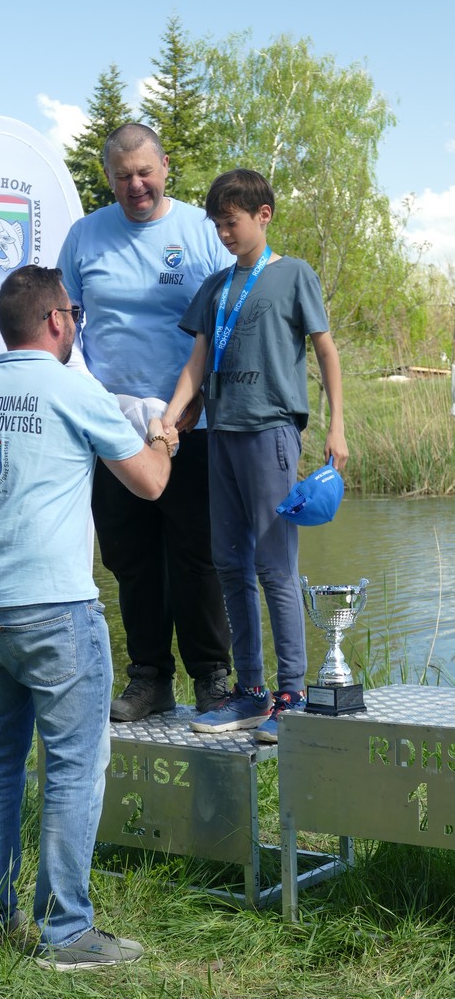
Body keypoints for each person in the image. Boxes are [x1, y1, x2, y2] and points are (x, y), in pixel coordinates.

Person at [0, 266, 178, 970]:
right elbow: (150, 484)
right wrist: (162, 437)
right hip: (55, 609)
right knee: (72, 767)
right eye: (74, 315)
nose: (75, 325)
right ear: (57, 320)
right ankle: (66, 933)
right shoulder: (75, 390)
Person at [163, 168, 349, 742]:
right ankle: (250, 691)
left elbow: (326, 352)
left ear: (263, 216)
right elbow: (197, 361)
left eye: (232, 222)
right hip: (220, 434)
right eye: (217, 225)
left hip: (271, 432)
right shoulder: (216, 286)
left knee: (274, 566)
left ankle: (291, 693)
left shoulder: (293, 274)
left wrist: (337, 426)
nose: (224, 234)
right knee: (229, 565)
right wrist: (171, 416)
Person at [57, 123, 232, 722]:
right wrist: (85, 401)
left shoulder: (203, 233)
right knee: (130, 558)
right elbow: (63, 325)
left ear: (165, 168)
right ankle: (150, 679)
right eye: (122, 176)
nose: (135, 185)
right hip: (113, 430)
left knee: (197, 556)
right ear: (108, 177)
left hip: (192, 425)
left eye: (144, 172)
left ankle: (212, 677)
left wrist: (197, 401)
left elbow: (230, 321)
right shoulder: (85, 236)